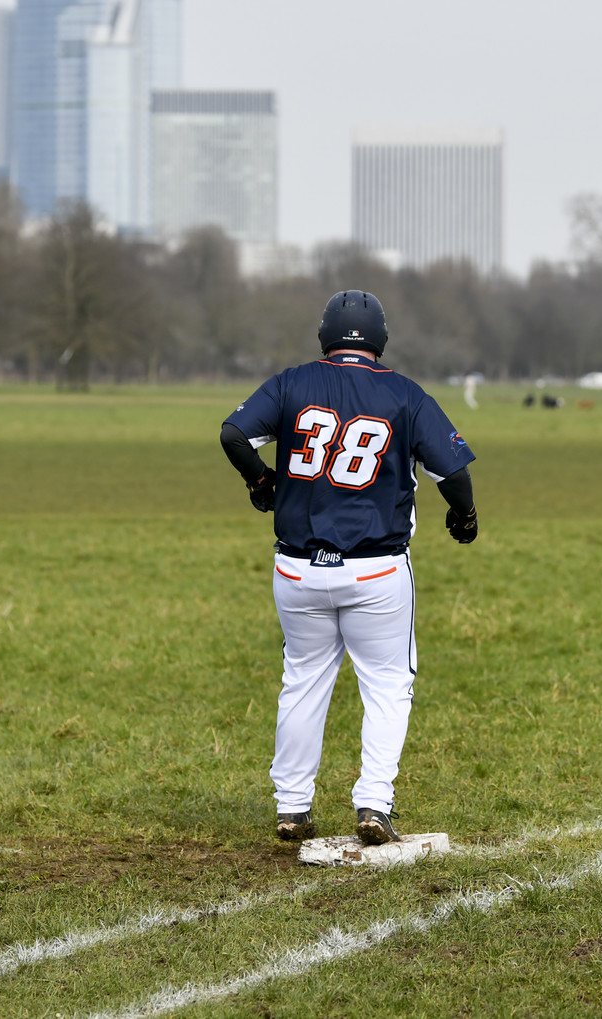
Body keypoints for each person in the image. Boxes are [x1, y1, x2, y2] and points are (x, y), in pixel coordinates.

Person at [219, 290, 479, 845]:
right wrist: (465, 515)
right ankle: (374, 804)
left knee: (302, 681)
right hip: (376, 571)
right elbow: (452, 473)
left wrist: (260, 480)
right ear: (380, 339)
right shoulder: (404, 393)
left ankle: (292, 807)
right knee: (387, 685)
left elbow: (233, 434)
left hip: (297, 569)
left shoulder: (291, 383)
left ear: (325, 336)